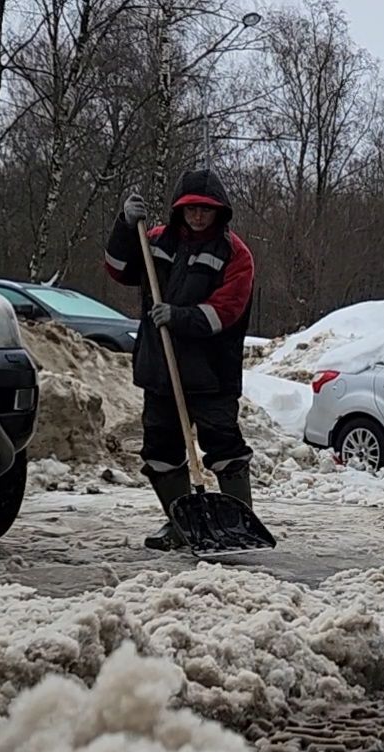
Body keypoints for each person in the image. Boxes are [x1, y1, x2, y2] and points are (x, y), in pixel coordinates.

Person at [104, 168, 257, 550]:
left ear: (219, 211)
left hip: (211, 372)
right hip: (161, 368)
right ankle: (180, 521)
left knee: (224, 445)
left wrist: (179, 316)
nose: (198, 217)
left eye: (206, 210)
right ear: (179, 210)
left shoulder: (235, 255)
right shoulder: (155, 240)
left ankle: (238, 523)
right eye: (191, 210)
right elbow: (118, 268)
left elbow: (227, 310)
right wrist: (124, 225)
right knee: (160, 450)